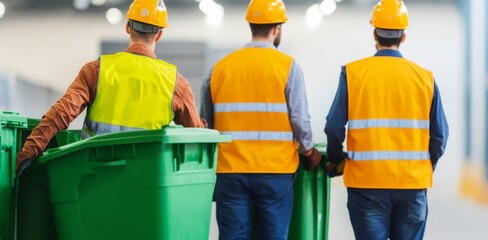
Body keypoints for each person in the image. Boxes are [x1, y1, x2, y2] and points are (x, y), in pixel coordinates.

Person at [16, 0, 205, 174]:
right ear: (160, 34)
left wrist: (28, 151)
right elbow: (198, 136)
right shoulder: (176, 83)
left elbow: (61, 113)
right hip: (147, 182)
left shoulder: (98, 70)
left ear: (127, 27)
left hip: (94, 178)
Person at [324, 0, 449, 239]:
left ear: (374, 33)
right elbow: (440, 136)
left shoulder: (353, 74)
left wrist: (334, 159)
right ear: (404, 37)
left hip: (366, 184)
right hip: (412, 185)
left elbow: (333, 127)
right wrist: (423, 166)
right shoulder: (425, 78)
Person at [199, 0, 321, 239]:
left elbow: (205, 124)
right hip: (275, 171)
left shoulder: (220, 69)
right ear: (277, 28)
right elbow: (299, 119)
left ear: (251, 26)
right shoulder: (288, 67)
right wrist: (308, 151)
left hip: (230, 171)